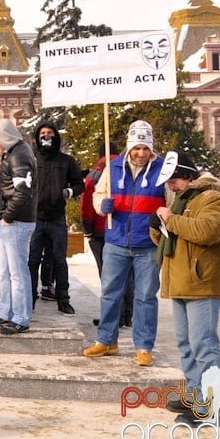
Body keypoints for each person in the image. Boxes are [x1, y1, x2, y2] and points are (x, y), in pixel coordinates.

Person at [150, 151, 220, 425]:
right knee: (186, 345)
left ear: (186, 175)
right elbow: (170, 241)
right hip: (181, 283)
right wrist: (157, 227)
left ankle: (210, 409)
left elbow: (206, 232)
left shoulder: (213, 199)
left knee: (204, 346)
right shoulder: (181, 201)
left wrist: (170, 219)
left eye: (173, 180)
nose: (170, 186)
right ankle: (196, 395)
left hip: (201, 284)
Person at [84, 120, 166, 367]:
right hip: (116, 241)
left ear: (151, 149)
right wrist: (101, 205)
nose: (141, 153)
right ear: (129, 148)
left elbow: (172, 201)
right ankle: (107, 340)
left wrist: (166, 217)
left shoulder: (162, 169)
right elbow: (98, 194)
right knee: (110, 294)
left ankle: (143, 346)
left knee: (145, 297)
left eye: (145, 148)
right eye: (136, 148)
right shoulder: (113, 167)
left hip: (148, 244)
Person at [0, 119, 36, 335]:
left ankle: (20, 317)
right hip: (12, 221)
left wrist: (8, 217)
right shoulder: (14, 153)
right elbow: (11, 186)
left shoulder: (19, 155)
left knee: (17, 273)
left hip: (17, 222)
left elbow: (24, 192)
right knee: (5, 271)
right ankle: (5, 311)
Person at [27, 122, 84, 315]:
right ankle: (29, 299)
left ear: (56, 136)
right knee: (33, 260)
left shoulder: (66, 161)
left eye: (49, 133)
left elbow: (79, 184)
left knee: (59, 260)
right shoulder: (32, 160)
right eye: (42, 134)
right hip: (36, 219)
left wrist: (69, 192)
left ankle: (63, 299)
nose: (46, 136)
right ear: (37, 138)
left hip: (57, 218)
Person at [80, 143, 133, 327]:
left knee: (108, 275)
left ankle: (112, 315)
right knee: (128, 274)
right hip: (124, 228)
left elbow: (87, 202)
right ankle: (127, 315)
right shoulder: (128, 170)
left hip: (101, 230)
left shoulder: (95, 173)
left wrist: (87, 228)